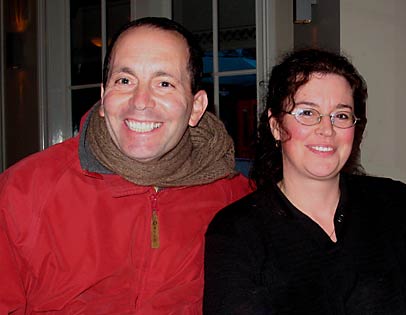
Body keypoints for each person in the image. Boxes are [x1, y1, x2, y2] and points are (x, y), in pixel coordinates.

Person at [0, 17, 252, 314]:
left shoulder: (234, 197)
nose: (140, 101)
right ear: (104, 97)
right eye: (125, 80)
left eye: (164, 83)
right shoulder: (22, 192)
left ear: (195, 107)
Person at [203, 48, 406, 314]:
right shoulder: (236, 231)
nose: (326, 130)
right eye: (307, 113)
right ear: (276, 126)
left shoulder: (397, 204)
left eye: (340, 115)